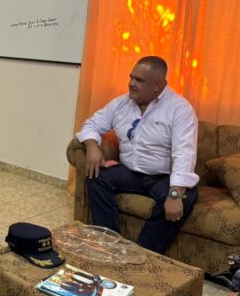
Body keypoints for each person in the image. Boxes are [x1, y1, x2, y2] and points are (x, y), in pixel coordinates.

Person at [76, 56, 199, 254]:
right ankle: (108, 243)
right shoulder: (121, 104)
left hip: (163, 177)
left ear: (158, 85)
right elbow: (91, 124)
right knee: (97, 176)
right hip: (130, 172)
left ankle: (141, 254)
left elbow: (184, 153)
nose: (131, 84)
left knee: (185, 197)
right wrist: (92, 146)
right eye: (131, 77)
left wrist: (175, 194)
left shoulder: (179, 109)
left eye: (139, 80)